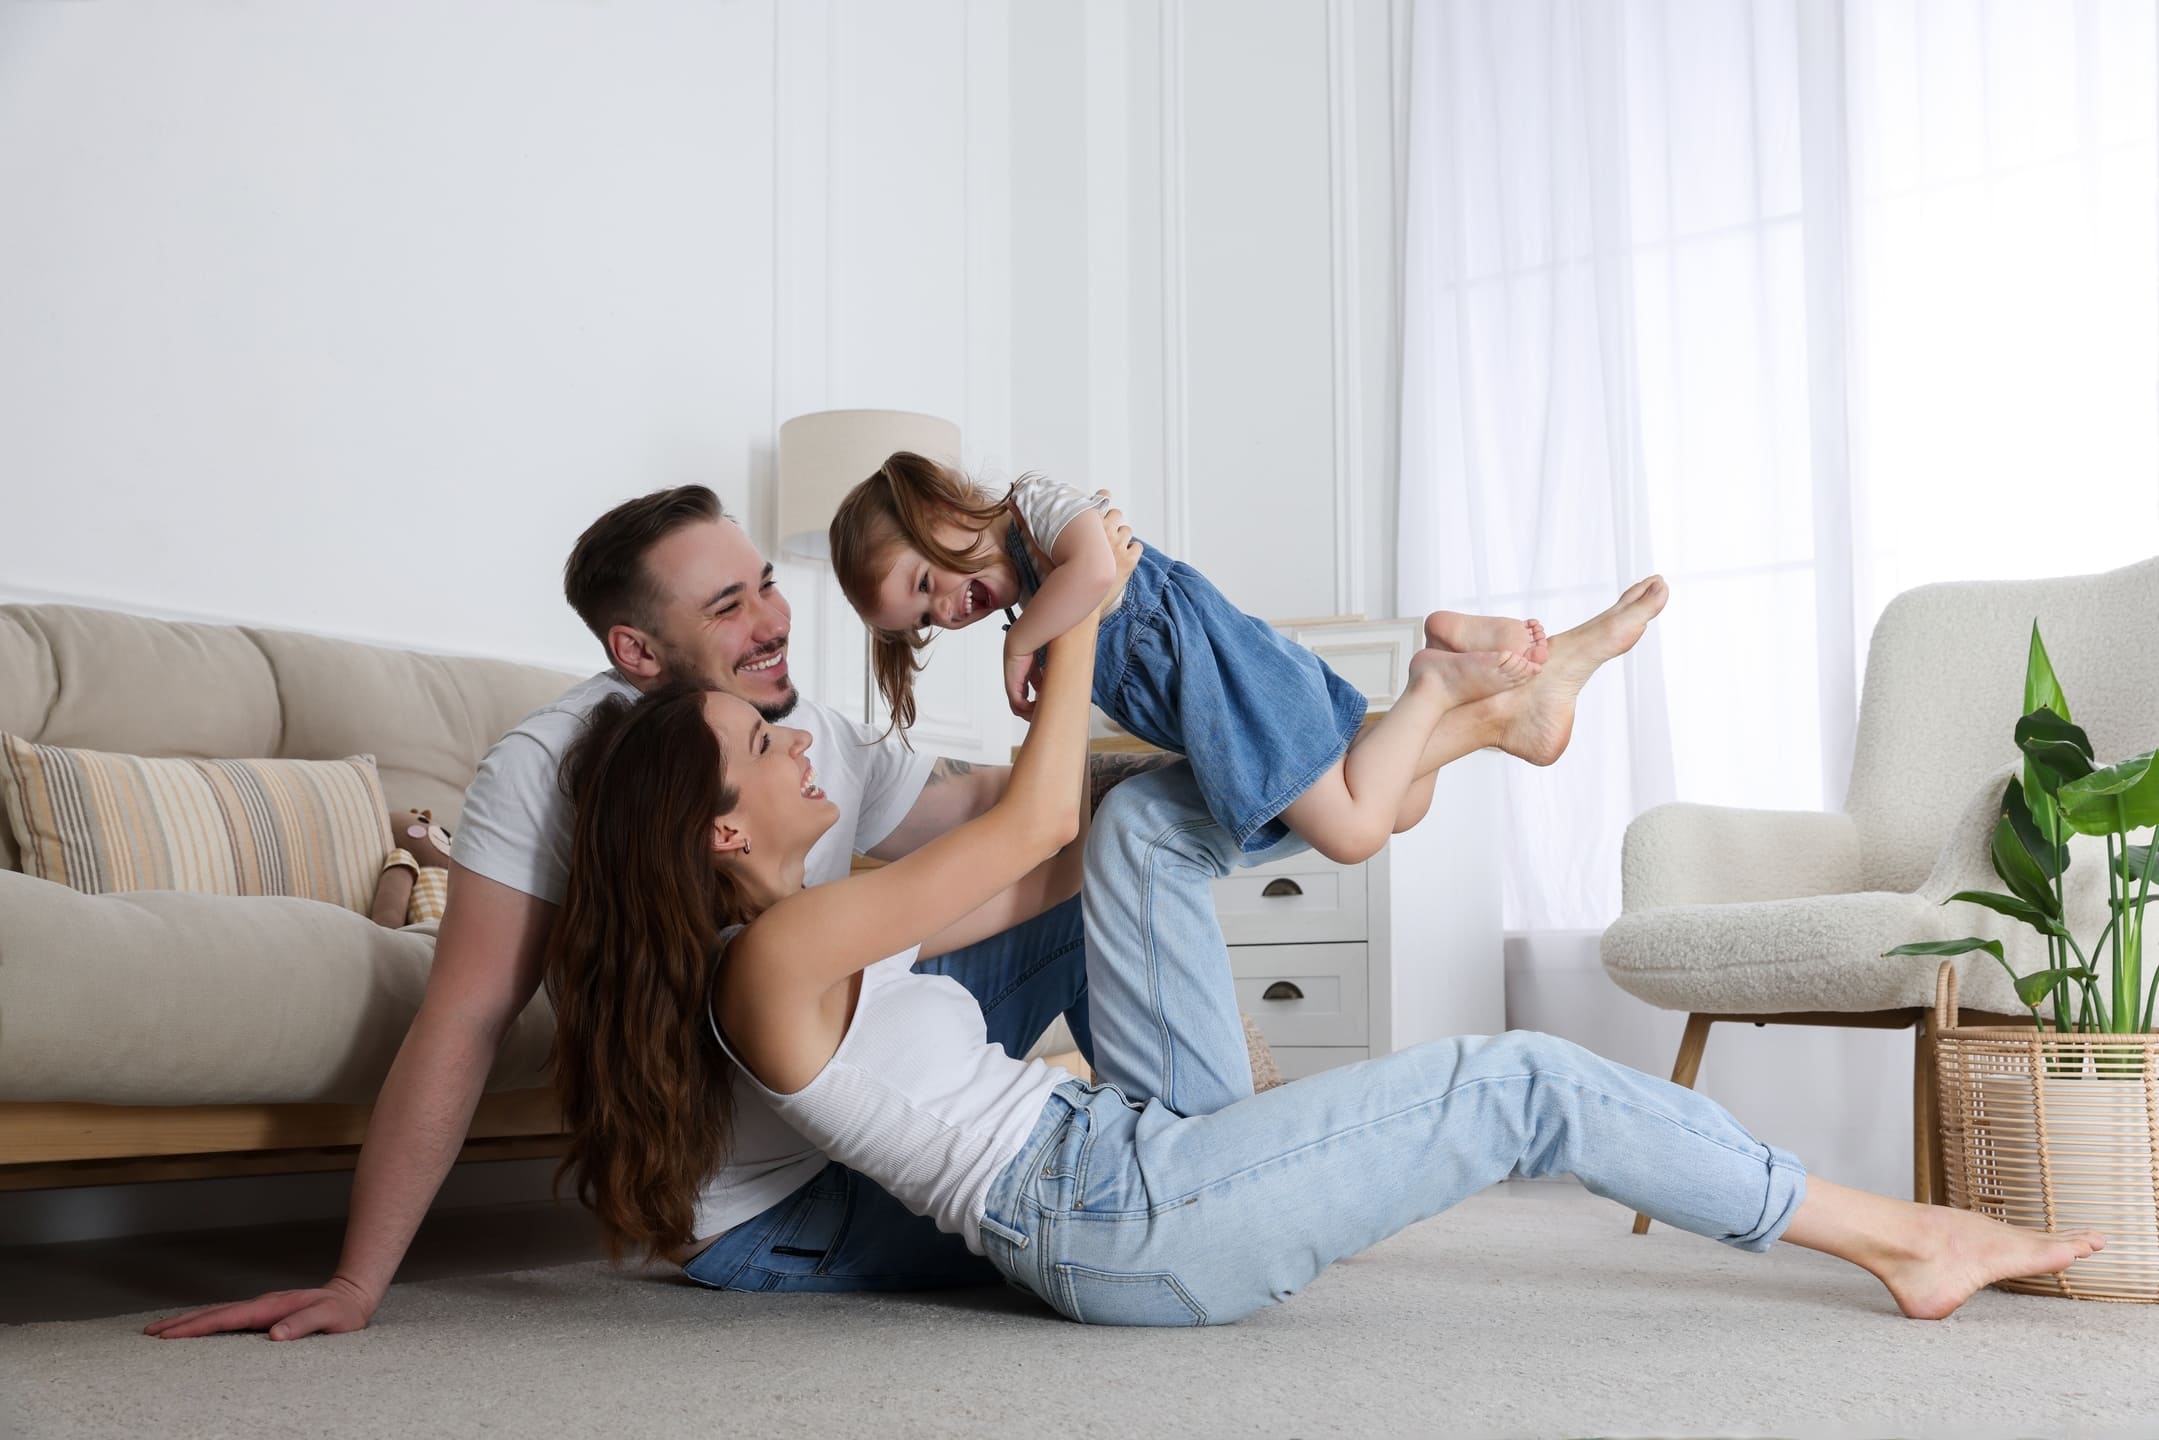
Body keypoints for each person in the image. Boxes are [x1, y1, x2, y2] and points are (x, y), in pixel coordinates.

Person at [546, 578, 2106, 1327]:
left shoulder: (806, 938)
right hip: (1120, 1219)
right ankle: (1901, 1240)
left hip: (1126, 1150)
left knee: (1142, 833)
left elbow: (1072, 852)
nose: (796, 739)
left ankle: (1453, 723)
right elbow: (1025, 821)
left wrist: (1338, 760)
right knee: (1523, 1083)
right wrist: (1073, 609)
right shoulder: (776, 960)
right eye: (760, 743)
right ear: (719, 832)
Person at [146, 484, 1156, 1340]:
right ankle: (1162, 1185)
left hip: (854, 1106)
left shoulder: (794, 734)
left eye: (766, 583)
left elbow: (1004, 810)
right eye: (727, 606)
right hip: (779, 1207)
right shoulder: (550, 767)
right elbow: (464, 1017)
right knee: (1123, 1214)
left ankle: (1168, 1147)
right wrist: (355, 1282)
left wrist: (1199, 765)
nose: (773, 620)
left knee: (1117, 858)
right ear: (635, 649)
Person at [830, 453, 1593, 867]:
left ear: (938, 511)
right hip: (1210, 699)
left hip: (1225, 680)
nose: (945, 610)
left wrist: (1021, 643)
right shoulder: (1035, 597)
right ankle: (1470, 686)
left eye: (925, 584)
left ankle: (1429, 685)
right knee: (1401, 807)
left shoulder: (1033, 504)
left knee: (1353, 834)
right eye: (924, 621)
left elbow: (1096, 569)